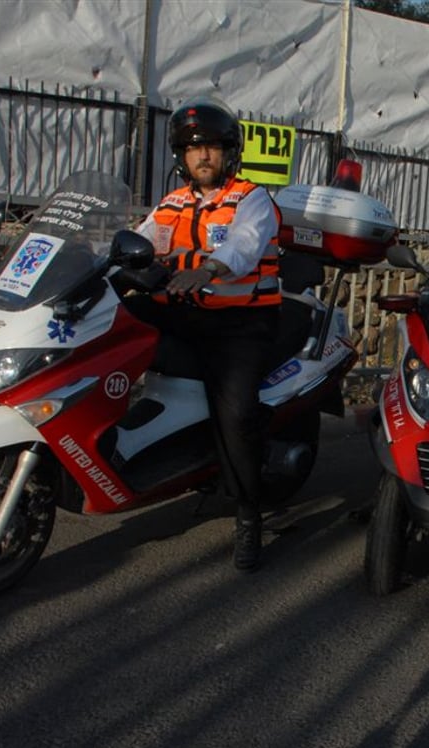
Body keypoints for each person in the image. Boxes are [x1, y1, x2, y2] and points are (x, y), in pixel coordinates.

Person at [129, 96, 284, 572]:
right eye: (193, 148)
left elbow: (244, 245)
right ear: (181, 156)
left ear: (228, 152)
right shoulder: (171, 203)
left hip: (238, 323)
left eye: (212, 147)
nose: (203, 156)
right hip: (183, 311)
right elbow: (143, 240)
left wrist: (211, 268)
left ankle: (248, 514)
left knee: (236, 414)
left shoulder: (251, 198)